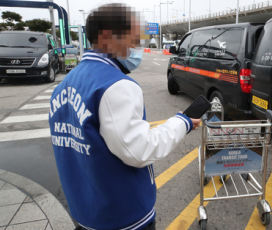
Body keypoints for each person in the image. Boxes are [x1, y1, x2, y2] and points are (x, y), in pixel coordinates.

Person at [48, 4, 200, 230]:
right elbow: (138, 150)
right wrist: (183, 123)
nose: (137, 47)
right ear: (107, 37)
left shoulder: (64, 86)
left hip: (86, 212)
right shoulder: (116, 85)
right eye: (133, 39)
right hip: (124, 218)